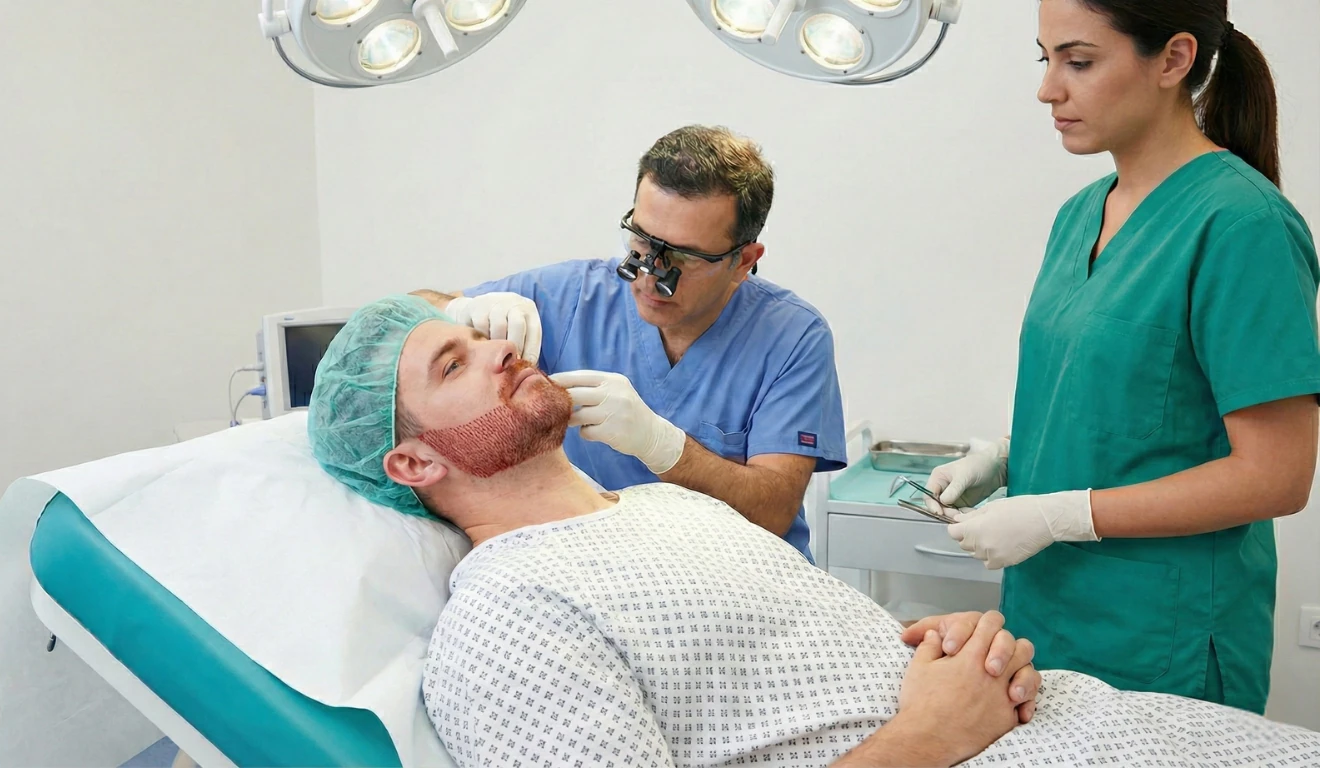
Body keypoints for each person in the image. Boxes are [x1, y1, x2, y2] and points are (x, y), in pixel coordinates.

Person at [306, 296, 1320, 768]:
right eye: (451, 366)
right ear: (410, 464)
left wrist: (952, 647)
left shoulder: (664, 507)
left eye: (482, 335)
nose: (495, 351)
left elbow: (829, 674)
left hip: (1110, 728)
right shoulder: (508, 620)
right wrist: (926, 735)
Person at [925, 0, 1320, 715]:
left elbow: (1277, 477)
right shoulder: (1082, 213)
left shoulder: (1243, 227)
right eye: (1044, 59)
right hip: (1046, 615)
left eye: (1078, 61)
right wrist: (1008, 460)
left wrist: (1061, 514)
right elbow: (1130, 403)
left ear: (1173, 59)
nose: (1049, 88)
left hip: (1158, 636)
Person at [410, 125, 845, 562]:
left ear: (742, 262)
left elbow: (773, 513)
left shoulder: (792, 336)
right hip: (616, 576)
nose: (651, 274)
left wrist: (663, 446)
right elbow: (394, 316)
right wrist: (454, 312)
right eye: (642, 240)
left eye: (684, 258)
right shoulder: (571, 298)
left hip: (749, 581)